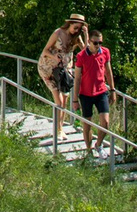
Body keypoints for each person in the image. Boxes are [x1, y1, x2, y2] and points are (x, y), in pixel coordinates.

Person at [39, 14, 85, 142]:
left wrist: (85, 35)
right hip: (49, 69)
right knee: (58, 101)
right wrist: (55, 57)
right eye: (75, 27)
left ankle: (60, 128)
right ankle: (58, 129)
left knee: (65, 98)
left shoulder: (77, 37)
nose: (76, 30)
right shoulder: (58, 33)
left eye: (79, 29)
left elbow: (87, 51)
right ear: (70, 24)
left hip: (64, 71)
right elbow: (45, 51)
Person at [72, 26, 115, 157]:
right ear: (89, 41)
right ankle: (89, 150)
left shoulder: (105, 52)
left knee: (105, 123)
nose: (98, 45)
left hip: (101, 91)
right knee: (87, 125)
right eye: (95, 43)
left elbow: (108, 71)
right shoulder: (81, 56)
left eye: (100, 43)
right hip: (85, 94)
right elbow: (77, 78)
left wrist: (112, 90)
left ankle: (98, 144)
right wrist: (75, 99)